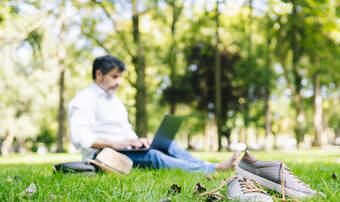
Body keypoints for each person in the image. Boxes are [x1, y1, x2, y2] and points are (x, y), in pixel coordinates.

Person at [68, 55, 239, 174]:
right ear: (99, 74)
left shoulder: (115, 102)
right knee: (153, 156)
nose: (118, 82)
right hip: (104, 155)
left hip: (125, 149)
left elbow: (126, 131)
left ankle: (207, 165)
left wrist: (138, 141)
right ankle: (214, 169)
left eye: (120, 77)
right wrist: (116, 144)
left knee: (168, 145)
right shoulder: (83, 100)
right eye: (114, 77)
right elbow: (80, 139)